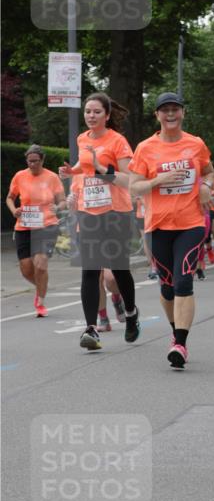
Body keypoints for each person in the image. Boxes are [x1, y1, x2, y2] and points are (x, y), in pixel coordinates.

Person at [128, 92, 214, 368]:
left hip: (190, 223)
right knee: (167, 286)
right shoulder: (145, 148)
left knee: (184, 281)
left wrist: (206, 186)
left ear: (183, 113)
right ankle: (176, 328)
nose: (170, 114)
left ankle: (180, 343)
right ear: (157, 115)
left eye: (175, 109)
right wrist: (159, 179)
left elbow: (209, 171)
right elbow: (134, 186)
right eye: (165, 110)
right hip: (158, 226)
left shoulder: (196, 144)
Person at [59, 93, 140, 351]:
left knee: (119, 270)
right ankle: (91, 329)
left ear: (106, 115)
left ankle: (130, 313)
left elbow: (129, 180)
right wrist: (71, 172)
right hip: (89, 214)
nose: (90, 116)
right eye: (87, 111)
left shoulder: (118, 141)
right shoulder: (82, 138)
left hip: (116, 213)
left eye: (96, 112)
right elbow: (83, 167)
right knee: (90, 271)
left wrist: (100, 169)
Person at [6, 144, 66, 317]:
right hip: (24, 225)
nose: (32, 165)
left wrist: (58, 207)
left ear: (42, 160)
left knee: (40, 264)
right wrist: (13, 210)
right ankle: (42, 285)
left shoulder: (52, 177)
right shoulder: (20, 176)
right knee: (26, 269)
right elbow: (10, 198)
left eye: (36, 161)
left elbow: (62, 200)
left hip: (47, 225)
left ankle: (40, 301)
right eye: (29, 161)